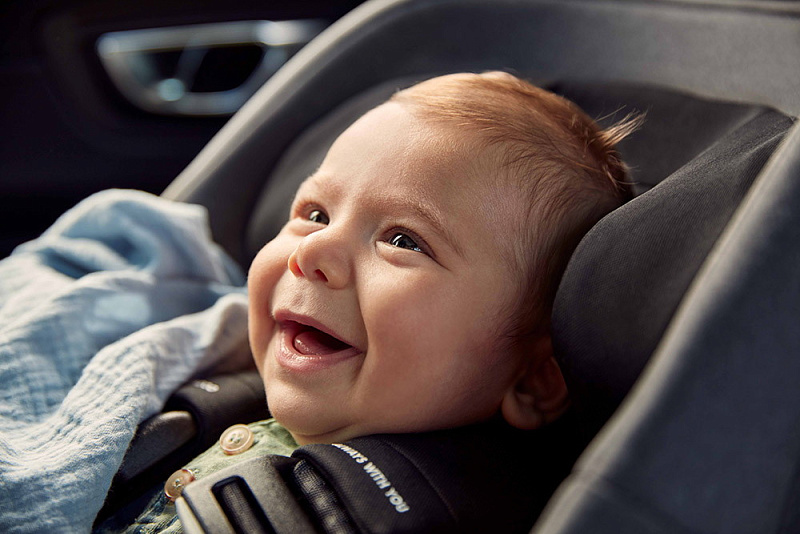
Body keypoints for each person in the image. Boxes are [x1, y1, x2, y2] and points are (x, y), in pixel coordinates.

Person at [110, 71, 638, 532]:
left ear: (531, 381)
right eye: (315, 214)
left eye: (403, 241)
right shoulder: (211, 370)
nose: (311, 251)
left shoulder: (429, 514)